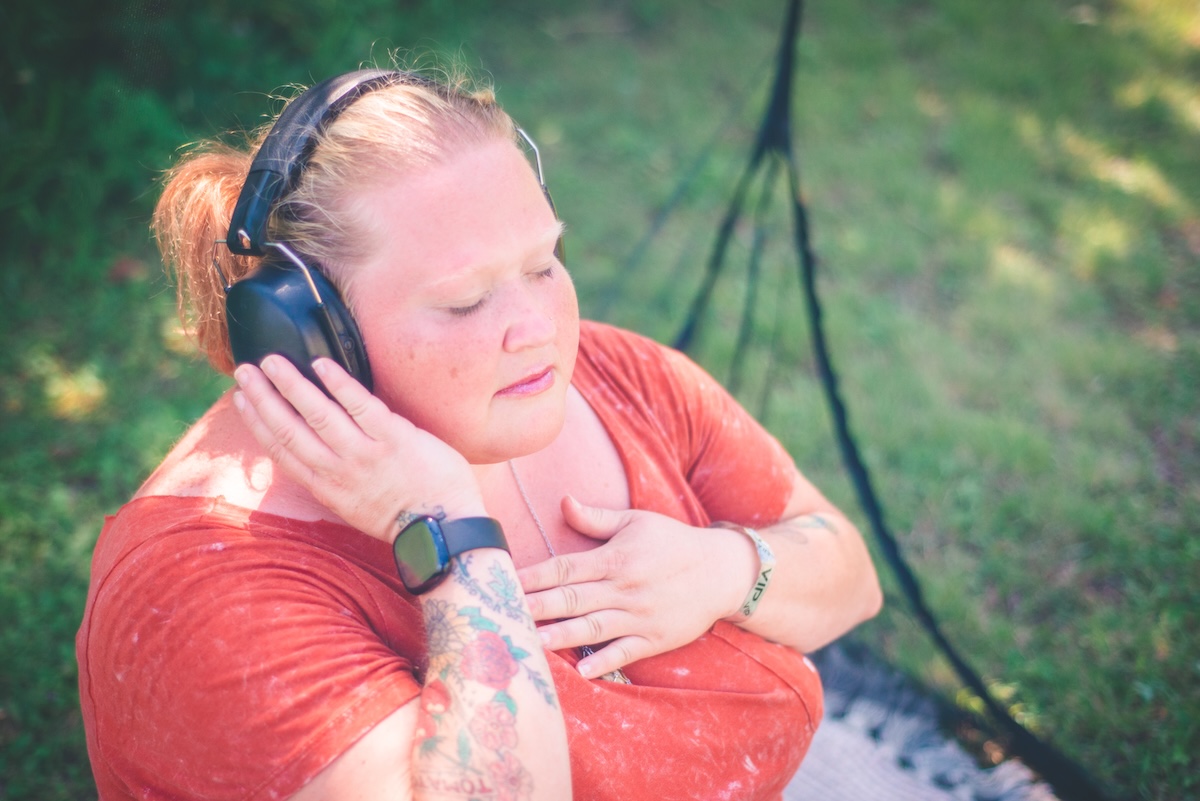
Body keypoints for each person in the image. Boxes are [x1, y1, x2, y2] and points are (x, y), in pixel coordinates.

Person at [76, 64, 882, 801]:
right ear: (313, 338)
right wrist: (447, 531)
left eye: (543, 262)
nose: (539, 329)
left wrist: (728, 567)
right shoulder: (208, 596)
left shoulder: (614, 374)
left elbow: (850, 576)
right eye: (465, 301)